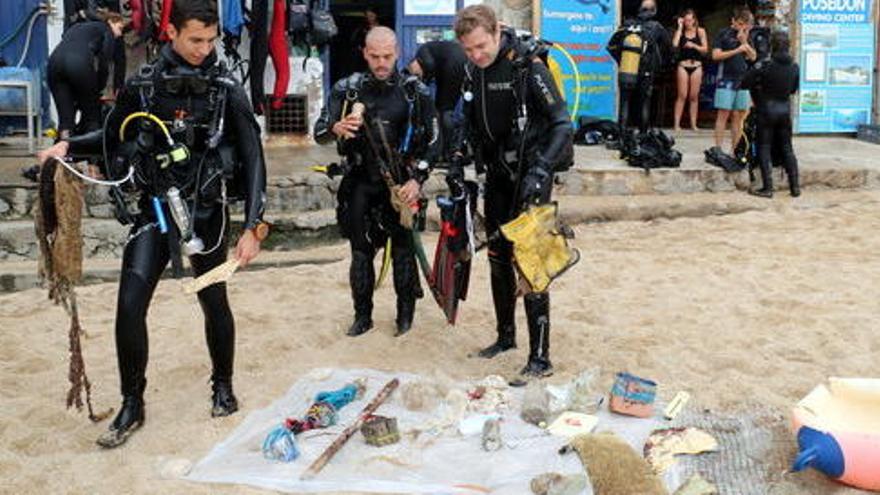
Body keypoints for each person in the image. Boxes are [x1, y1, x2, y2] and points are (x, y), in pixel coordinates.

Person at [37, 0, 268, 448]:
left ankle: (222, 384)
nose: (204, 48)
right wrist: (66, 148)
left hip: (206, 212)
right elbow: (110, 137)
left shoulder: (225, 88)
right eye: (195, 39)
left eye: (211, 40)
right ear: (172, 33)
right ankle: (131, 403)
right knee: (129, 304)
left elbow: (255, 158)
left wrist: (252, 225)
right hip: (155, 210)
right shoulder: (144, 86)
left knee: (213, 302)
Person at [449, 5, 573, 378]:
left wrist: (541, 170)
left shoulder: (527, 66)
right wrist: (456, 161)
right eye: (468, 50)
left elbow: (562, 125)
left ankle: (541, 357)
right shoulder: (472, 71)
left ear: (497, 32)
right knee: (499, 256)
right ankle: (506, 337)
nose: (476, 55)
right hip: (499, 175)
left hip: (531, 172)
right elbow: (465, 122)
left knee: (532, 261)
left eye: (481, 47)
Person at [314, 27, 440, 338]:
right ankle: (362, 317)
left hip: (399, 184)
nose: (381, 63)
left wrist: (418, 178)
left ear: (397, 53)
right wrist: (336, 127)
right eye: (375, 56)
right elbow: (319, 133)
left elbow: (436, 141)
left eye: (387, 56)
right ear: (365, 54)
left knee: (402, 251)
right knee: (360, 252)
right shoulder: (348, 89)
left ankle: (405, 318)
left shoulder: (414, 91)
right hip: (359, 181)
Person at [48, 11, 126, 139]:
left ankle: (64, 150)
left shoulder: (78, 27)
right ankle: (91, 153)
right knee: (92, 116)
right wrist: (98, 88)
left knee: (66, 119)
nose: (119, 34)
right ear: (110, 22)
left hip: (54, 62)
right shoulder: (106, 30)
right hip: (78, 63)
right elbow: (104, 63)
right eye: (120, 28)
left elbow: (65, 38)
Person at [741, 31, 800, 198]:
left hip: (766, 110)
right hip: (784, 111)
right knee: (787, 148)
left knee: (764, 147)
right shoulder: (794, 66)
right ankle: (795, 187)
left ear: (772, 45)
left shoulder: (765, 65)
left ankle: (768, 188)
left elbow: (745, 82)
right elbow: (793, 90)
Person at [606, 0, 672, 134]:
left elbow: (611, 46)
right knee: (644, 104)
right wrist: (658, 63)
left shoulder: (627, 25)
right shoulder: (656, 27)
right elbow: (668, 48)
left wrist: (622, 61)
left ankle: (622, 136)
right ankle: (642, 136)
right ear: (654, 11)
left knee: (625, 103)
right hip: (646, 71)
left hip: (627, 70)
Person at [407, 40, 468, 164]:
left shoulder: (421, 53)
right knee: (446, 109)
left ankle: (445, 152)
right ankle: (449, 151)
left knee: (444, 110)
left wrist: (425, 81)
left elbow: (429, 65)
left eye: (415, 73)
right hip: (460, 63)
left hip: (453, 64)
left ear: (412, 63)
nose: (417, 75)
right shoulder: (432, 53)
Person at [711, 6, 757, 156]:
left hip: (743, 80)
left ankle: (735, 150)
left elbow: (753, 57)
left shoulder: (747, 36)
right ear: (734, 21)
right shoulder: (723, 34)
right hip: (726, 78)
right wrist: (737, 50)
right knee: (723, 113)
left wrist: (745, 43)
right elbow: (716, 56)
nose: (743, 27)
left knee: (738, 116)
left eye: (746, 24)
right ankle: (718, 149)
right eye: (741, 24)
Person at [672, 9, 708, 131]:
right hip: (683, 65)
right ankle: (677, 124)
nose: (688, 22)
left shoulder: (700, 31)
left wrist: (694, 46)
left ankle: (693, 124)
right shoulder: (681, 32)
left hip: (696, 65)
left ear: (694, 20)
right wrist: (679, 27)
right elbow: (675, 44)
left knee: (694, 96)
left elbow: (705, 49)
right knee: (682, 95)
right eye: (685, 20)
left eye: (690, 20)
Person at [350, 9, 381, 73]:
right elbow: (354, 40)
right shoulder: (361, 29)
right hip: (364, 58)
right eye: (367, 16)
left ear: (376, 15)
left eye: (371, 16)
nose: (369, 18)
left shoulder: (382, 29)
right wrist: (360, 47)